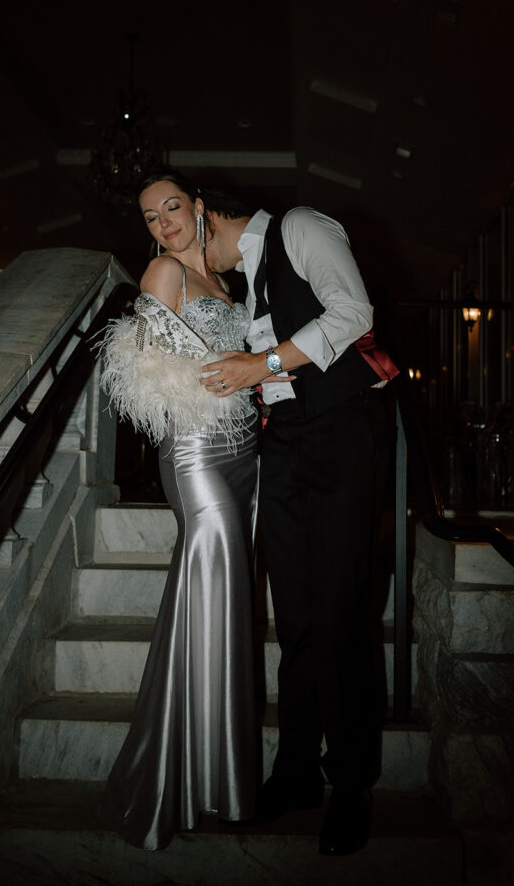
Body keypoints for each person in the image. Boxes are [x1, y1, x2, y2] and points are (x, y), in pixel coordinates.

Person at [200, 191, 398, 856]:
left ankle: (350, 784)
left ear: (208, 212)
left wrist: (260, 363)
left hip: (340, 432)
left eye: (190, 234)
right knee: (295, 617)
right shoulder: (242, 283)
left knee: (341, 611)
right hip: (281, 440)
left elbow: (353, 312)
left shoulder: (301, 228)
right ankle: (294, 771)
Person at [97, 170, 266, 850]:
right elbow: (144, 372)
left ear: (199, 209)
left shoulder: (230, 284)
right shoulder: (161, 272)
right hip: (195, 451)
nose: (162, 223)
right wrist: (213, 372)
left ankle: (220, 780)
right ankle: (178, 779)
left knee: (226, 603)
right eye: (149, 216)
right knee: (211, 583)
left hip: (246, 453)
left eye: (172, 208)